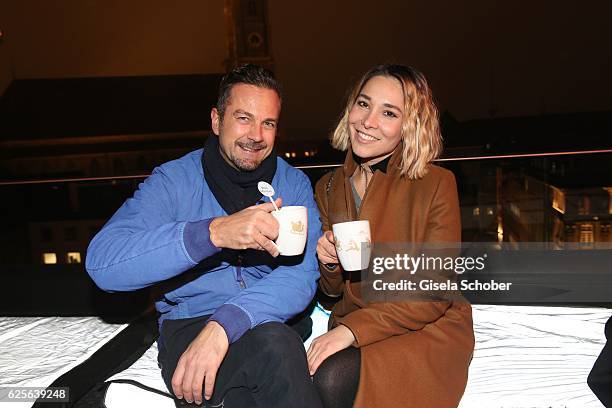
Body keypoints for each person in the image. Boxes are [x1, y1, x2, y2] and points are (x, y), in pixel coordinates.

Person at [86, 64, 323, 408]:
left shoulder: (292, 184)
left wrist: (224, 325)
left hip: (268, 321)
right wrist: (211, 234)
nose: (256, 134)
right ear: (216, 121)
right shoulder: (174, 181)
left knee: (273, 348)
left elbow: (302, 274)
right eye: (244, 118)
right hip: (190, 327)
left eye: (268, 123)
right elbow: (104, 264)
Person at [307, 64, 475, 408]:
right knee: (314, 375)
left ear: (409, 125)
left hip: (425, 327)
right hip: (356, 322)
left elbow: (434, 292)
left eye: (389, 112)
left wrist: (351, 331)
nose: (368, 122)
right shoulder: (327, 188)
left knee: (332, 375)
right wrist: (328, 263)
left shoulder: (436, 184)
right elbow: (331, 293)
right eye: (364, 104)